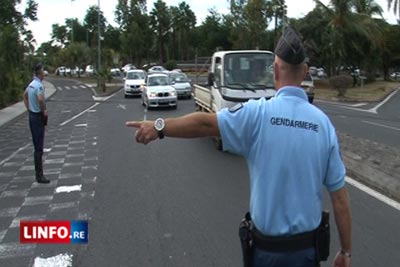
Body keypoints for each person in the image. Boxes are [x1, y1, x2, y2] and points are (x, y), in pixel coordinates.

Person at [126, 26, 352, 267]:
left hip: (267, 254)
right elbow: (340, 200)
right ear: (305, 72)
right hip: (306, 254)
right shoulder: (324, 126)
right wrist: (346, 251)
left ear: (275, 70)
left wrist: (158, 127)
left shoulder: (258, 114)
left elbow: (204, 124)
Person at [23, 63, 50, 184]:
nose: (44, 73)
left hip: (32, 116)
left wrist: (29, 108)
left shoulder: (31, 85)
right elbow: (40, 99)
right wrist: (43, 110)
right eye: (43, 71)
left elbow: (25, 96)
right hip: (38, 117)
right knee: (39, 147)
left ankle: (38, 173)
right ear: (39, 73)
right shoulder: (38, 86)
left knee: (36, 144)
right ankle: (39, 175)